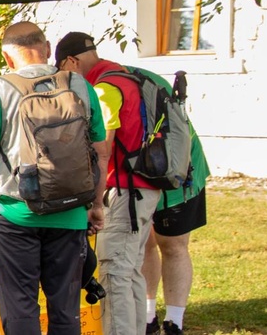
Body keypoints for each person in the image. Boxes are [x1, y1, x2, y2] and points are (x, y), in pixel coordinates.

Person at [0, 22, 106, 335]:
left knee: (20, 305)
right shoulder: (81, 86)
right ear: (47, 48)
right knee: (66, 308)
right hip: (70, 211)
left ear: (7, 57)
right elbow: (102, 153)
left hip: (15, 211)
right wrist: (96, 204)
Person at [55, 32, 163, 335]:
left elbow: (101, 148)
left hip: (123, 192)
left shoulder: (105, 89)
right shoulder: (127, 77)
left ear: (72, 61)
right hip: (142, 189)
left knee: (114, 273)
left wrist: (94, 199)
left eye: (65, 70)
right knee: (130, 272)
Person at [143, 112, 211, 335]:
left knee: (173, 245)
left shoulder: (119, 85)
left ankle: (174, 323)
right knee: (143, 242)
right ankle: (147, 316)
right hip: (139, 170)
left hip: (177, 167)